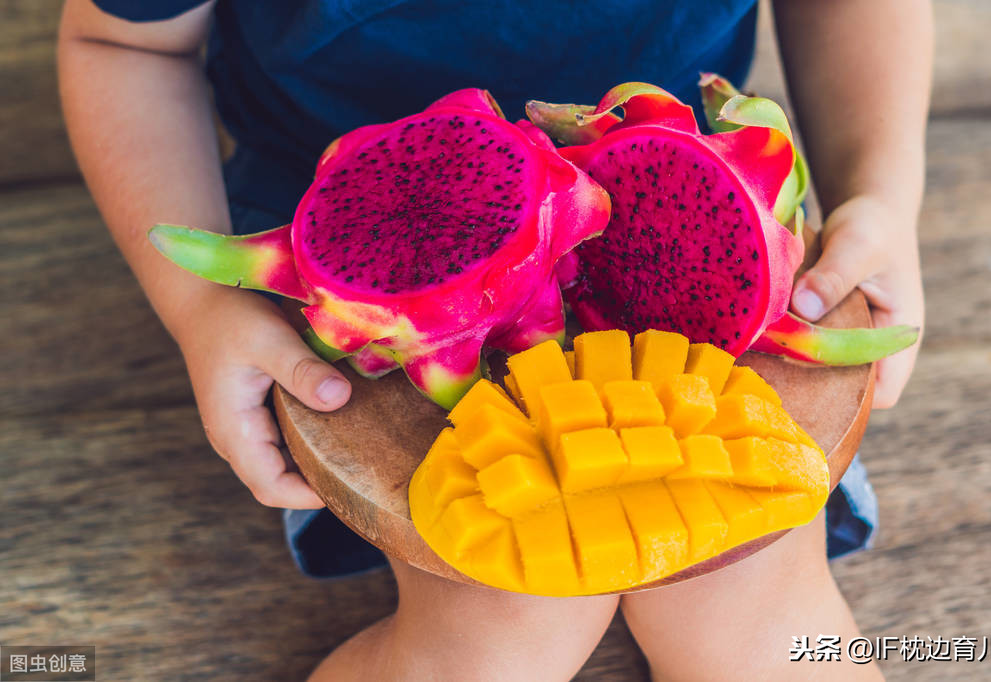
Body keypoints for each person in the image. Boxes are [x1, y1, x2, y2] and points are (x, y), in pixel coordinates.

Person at [58, 0, 931, 679]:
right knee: (493, 648)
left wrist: (879, 195)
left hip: (695, 228)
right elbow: (125, 44)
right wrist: (201, 308)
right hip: (363, 284)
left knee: (764, 637)